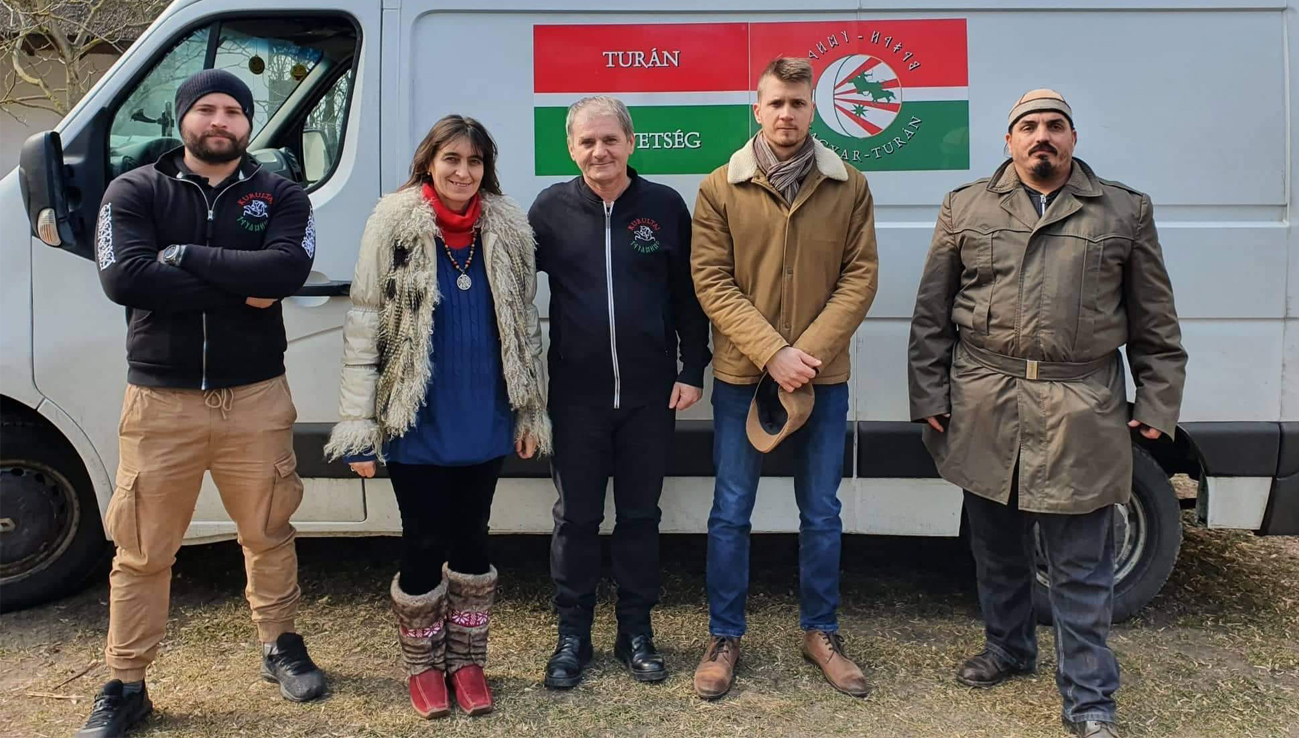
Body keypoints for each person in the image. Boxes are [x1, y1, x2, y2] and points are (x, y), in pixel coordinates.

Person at [907, 89, 1188, 738]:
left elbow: (1155, 321)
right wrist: (928, 396)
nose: (1042, 136)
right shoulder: (965, 207)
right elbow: (931, 315)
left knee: (1080, 565)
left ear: (1072, 138)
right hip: (984, 400)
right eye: (1027, 126)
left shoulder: (1122, 211)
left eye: (1054, 126)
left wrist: (1155, 400)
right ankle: (1007, 648)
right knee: (996, 549)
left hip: (1078, 406)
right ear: (1007, 141)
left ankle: (1089, 700)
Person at [83, 68, 323, 738]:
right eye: (207, 110)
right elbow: (123, 277)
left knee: (269, 533)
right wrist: (236, 285)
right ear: (183, 117)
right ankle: (127, 683)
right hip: (162, 402)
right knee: (140, 550)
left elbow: (283, 272)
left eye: (233, 112)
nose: (220, 122)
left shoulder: (280, 194)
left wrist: (183, 256)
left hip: (255, 398)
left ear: (249, 124)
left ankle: (280, 646)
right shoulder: (133, 190)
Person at [324, 114, 549, 719]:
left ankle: (469, 660)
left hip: (485, 414)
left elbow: (525, 326)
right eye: (451, 159)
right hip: (414, 416)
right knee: (424, 543)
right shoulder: (394, 224)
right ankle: (423, 665)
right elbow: (364, 322)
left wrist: (530, 410)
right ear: (429, 162)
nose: (463, 172)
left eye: (474, 162)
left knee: (473, 541)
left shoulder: (506, 227)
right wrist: (359, 427)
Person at [689, 57, 879, 700]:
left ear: (813, 109)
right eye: (776, 104)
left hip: (822, 380)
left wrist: (807, 355)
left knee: (822, 511)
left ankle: (820, 631)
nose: (787, 115)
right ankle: (724, 636)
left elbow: (860, 278)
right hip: (746, 375)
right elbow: (711, 281)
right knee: (730, 510)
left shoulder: (848, 186)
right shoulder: (719, 187)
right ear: (757, 108)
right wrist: (773, 353)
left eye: (798, 104)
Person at [527, 96, 711, 688]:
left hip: (648, 397)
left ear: (631, 143)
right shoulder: (550, 209)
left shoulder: (663, 206)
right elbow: (507, 293)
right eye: (586, 142)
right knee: (575, 518)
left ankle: (636, 632)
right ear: (570, 148)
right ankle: (572, 636)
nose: (599, 151)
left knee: (639, 517)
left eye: (610, 140)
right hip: (574, 398)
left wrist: (692, 368)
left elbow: (688, 296)